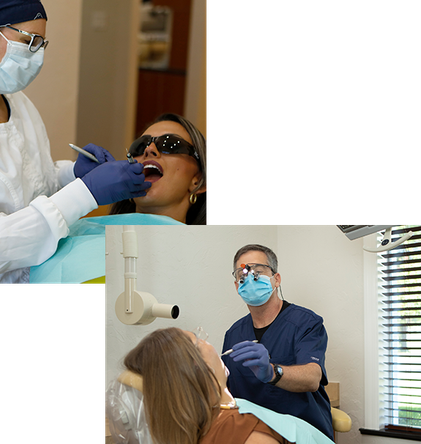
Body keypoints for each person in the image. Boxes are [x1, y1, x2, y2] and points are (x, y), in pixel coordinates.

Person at [0, 0, 150, 284]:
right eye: (29, 41)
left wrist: (72, 174)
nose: (38, 55)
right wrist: (87, 192)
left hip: (34, 273)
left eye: (41, 43)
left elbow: (30, 183)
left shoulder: (18, 104)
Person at [106, 327, 334, 444]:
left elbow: (313, 378)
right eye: (198, 339)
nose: (206, 341)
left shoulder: (198, 424)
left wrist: (273, 372)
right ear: (196, 366)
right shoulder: (240, 431)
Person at [222, 244, 334, 441]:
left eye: (257, 272)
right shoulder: (233, 334)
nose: (249, 279)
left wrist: (272, 372)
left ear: (276, 279)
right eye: (242, 275)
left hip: (301, 431)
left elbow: (313, 378)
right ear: (236, 286)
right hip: (255, 432)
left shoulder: (306, 323)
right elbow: (226, 390)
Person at [110, 113, 208, 224]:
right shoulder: (90, 235)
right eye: (140, 146)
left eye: (170, 144)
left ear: (199, 181)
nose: (149, 149)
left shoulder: (216, 241)